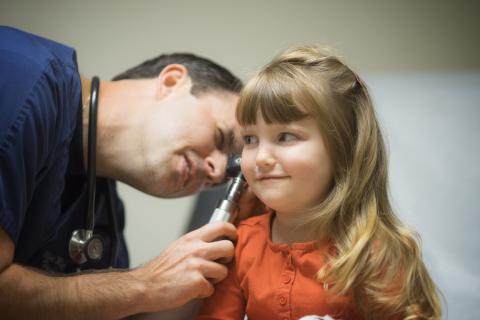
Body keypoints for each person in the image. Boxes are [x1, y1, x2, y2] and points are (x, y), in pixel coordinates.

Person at [0, 25, 244, 319]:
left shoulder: (103, 215)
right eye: (220, 137)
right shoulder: (20, 76)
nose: (217, 173)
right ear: (172, 81)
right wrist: (145, 284)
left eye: (228, 172)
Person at [197, 45, 442, 319]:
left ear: (343, 149)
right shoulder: (240, 244)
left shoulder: (375, 254)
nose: (261, 158)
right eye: (251, 139)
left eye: (286, 137)